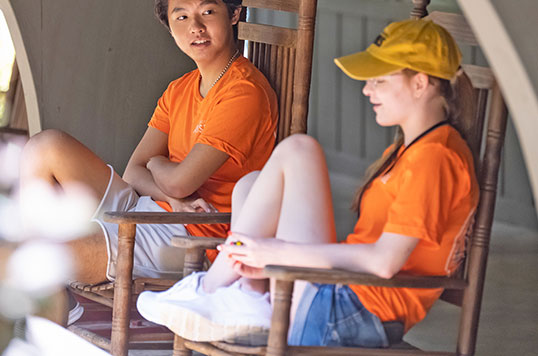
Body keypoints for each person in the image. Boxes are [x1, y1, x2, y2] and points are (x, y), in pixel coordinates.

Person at [136, 18, 479, 348]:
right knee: (250, 183)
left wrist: (277, 252)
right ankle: (247, 293)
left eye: (380, 80)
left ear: (420, 83)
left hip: (353, 312)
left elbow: (383, 263)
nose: (366, 89)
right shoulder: (410, 149)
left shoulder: (436, 157)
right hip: (342, 297)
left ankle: (214, 288)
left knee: (299, 149)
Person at [19, 0, 278, 294]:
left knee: (44, 254)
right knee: (45, 146)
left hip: (192, 234)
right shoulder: (181, 88)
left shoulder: (244, 92)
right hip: (149, 207)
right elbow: (134, 173)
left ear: (233, 14)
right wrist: (165, 184)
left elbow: (181, 182)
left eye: (207, 12)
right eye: (181, 16)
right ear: (169, 26)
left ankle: (51, 302)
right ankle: (51, 295)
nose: (195, 27)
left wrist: (158, 165)